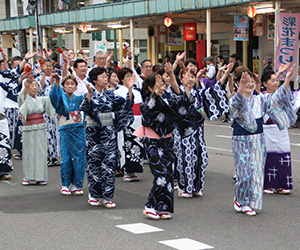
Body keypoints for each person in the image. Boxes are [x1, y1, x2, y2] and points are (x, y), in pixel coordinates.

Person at [230, 65, 297, 216]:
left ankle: (247, 202)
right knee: (244, 172)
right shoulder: (235, 99)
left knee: (256, 172)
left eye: (252, 81)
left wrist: (286, 79)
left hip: (258, 139)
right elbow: (237, 107)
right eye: (246, 82)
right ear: (239, 83)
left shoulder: (260, 99)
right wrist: (241, 85)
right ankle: (240, 201)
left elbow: (276, 98)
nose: (250, 84)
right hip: (242, 139)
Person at [168, 62, 231, 198]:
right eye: (188, 76)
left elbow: (214, 90)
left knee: (200, 159)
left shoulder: (198, 94)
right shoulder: (177, 92)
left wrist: (225, 74)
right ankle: (184, 187)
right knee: (186, 159)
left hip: (198, 132)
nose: (191, 79)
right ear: (181, 78)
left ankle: (196, 186)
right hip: (183, 133)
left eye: (192, 77)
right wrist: (171, 74)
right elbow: (176, 89)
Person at [80, 67, 134, 208]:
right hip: (93, 134)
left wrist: (129, 88)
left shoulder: (111, 95)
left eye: (106, 76)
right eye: (102, 77)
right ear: (94, 80)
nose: (105, 79)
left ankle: (108, 196)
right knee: (94, 164)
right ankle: (94, 194)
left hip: (108, 133)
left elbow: (125, 104)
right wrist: (90, 96)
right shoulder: (88, 93)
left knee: (109, 164)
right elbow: (84, 108)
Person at [136, 73, 180, 220]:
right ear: (149, 88)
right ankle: (150, 206)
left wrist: (183, 86)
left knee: (168, 176)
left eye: (162, 85)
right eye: (158, 85)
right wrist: (155, 96)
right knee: (160, 176)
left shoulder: (167, 100)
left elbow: (181, 106)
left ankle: (161, 207)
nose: (162, 88)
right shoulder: (146, 104)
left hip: (167, 142)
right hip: (153, 143)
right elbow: (148, 117)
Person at [49, 74, 86, 196]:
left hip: (79, 131)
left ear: (76, 87)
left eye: (72, 84)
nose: (70, 86)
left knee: (79, 158)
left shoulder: (80, 98)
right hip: (65, 130)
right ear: (64, 87)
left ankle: (77, 184)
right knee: (66, 158)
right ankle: (65, 184)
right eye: (67, 84)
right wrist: (57, 82)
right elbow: (54, 98)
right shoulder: (62, 98)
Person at [18, 73, 56, 186]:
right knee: (29, 152)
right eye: (32, 85)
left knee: (41, 152)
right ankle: (27, 177)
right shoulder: (25, 98)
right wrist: (26, 86)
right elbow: (21, 99)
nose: (34, 87)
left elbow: (51, 101)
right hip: (28, 128)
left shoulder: (42, 99)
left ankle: (40, 177)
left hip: (40, 128)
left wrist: (53, 86)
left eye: (36, 85)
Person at [262, 64, 294, 195]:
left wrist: (286, 79)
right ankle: (268, 185)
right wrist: (284, 78)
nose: (275, 83)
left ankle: (282, 184)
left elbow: (284, 94)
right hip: (267, 130)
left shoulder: (280, 95)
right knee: (269, 157)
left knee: (283, 155)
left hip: (280, 130)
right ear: (264, 83)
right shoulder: (261, 97)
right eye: (272, 81)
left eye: (276, 80)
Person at [115, 68, 144, 182]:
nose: (129, 78)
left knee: (137, 146)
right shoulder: (118, 93)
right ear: (121, 79)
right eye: (126, 76)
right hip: (125, 123)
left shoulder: (137, 92)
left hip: (138, 122)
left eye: (131, 76)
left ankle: (134, 171)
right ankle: (126, 171)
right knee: (125, 146)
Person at [36, 58, 60, 167]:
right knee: (46, 133)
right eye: (46, 66)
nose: (48, 68)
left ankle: (54, 156)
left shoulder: (56, 77)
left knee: (55, 133)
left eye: (50, 65)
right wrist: (45, 77)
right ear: (42, 67)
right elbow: (40, 90)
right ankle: (46, 156)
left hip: (54, 110)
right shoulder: (38, 78)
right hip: (44, 110)